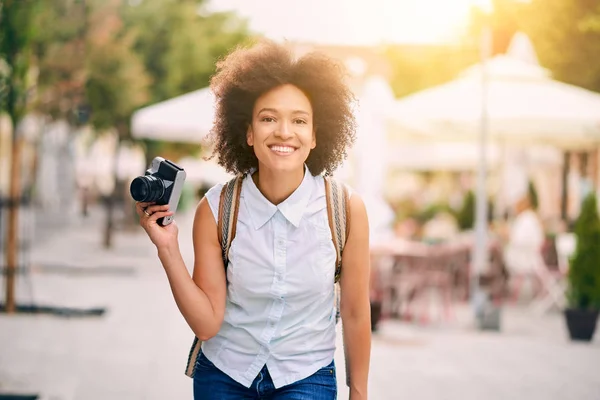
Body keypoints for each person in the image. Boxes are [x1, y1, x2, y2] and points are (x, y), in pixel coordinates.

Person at [135, 40, 371, 400]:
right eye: (268, 118)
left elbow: (354, 311)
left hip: (306, 376)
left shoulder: (345, 209)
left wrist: (359, 392)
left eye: (299, 120)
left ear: (315, 135)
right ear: (248, 132)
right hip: (224, 375)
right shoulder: (216, 209)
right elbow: (207, 323)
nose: (284, 132)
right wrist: (167, 249)